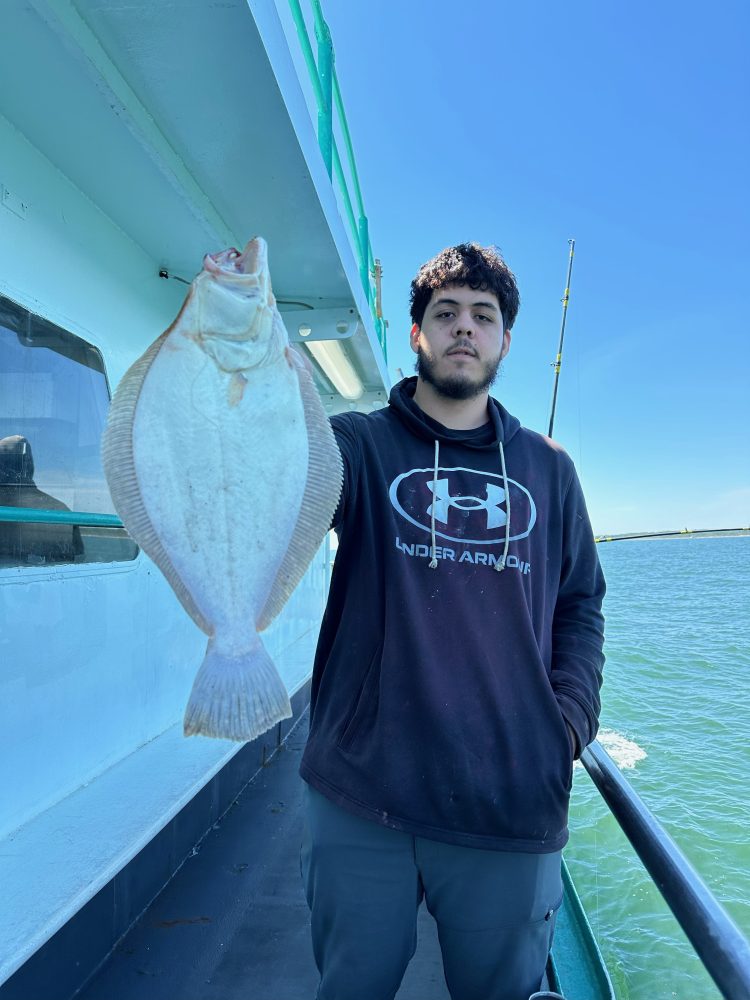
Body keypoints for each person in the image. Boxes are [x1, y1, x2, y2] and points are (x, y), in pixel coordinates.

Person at [299, 243, 606, 1000]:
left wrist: (567, 723)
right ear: (417, 335)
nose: (464, 329)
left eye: (483, 316)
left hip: (509, 799)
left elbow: (581, 605)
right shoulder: (360, 445)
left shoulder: (549, 469)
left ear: (504, 340)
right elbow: (292, 487)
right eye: (446, 314)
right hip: (360, 792)